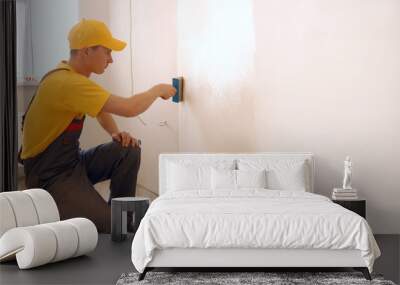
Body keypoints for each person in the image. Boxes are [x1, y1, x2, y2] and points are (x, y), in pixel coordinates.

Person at [20, 19, 176, 233]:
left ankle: (124, 218)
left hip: (72, 163)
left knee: (128, 150)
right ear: (86, 51)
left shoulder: (70, 76)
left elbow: (100, 111)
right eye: (107, 52)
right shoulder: (67, 83)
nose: (110, 59)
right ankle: (116, 226)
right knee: (111, 227)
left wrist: (116, 133)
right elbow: (130, 108)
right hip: (50, 177)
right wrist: (157, 90)